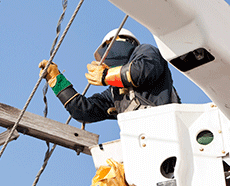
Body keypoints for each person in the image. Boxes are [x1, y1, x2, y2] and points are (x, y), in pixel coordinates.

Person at [39, 28, 180, 123]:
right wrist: (56, 80)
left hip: (167, 127)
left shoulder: (145, 51)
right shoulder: (115, 93)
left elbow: (143, 71)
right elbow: (84, 110)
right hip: (142, 140)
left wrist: (106, 75)